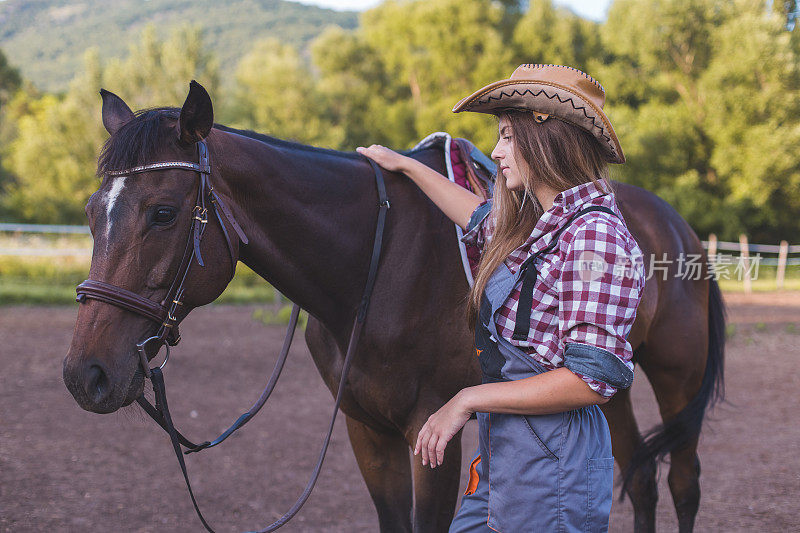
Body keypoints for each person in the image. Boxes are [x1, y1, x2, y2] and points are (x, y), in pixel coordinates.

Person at [357, 63, 645, 532]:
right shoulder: (538, 225)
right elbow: (476, 217)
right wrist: (408, 166)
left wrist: (467, 398)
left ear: (547, 139)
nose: (495, 151)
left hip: (555, 464)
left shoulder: (596, 238)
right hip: (507, 452)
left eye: (509, 136)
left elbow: (591, 380)